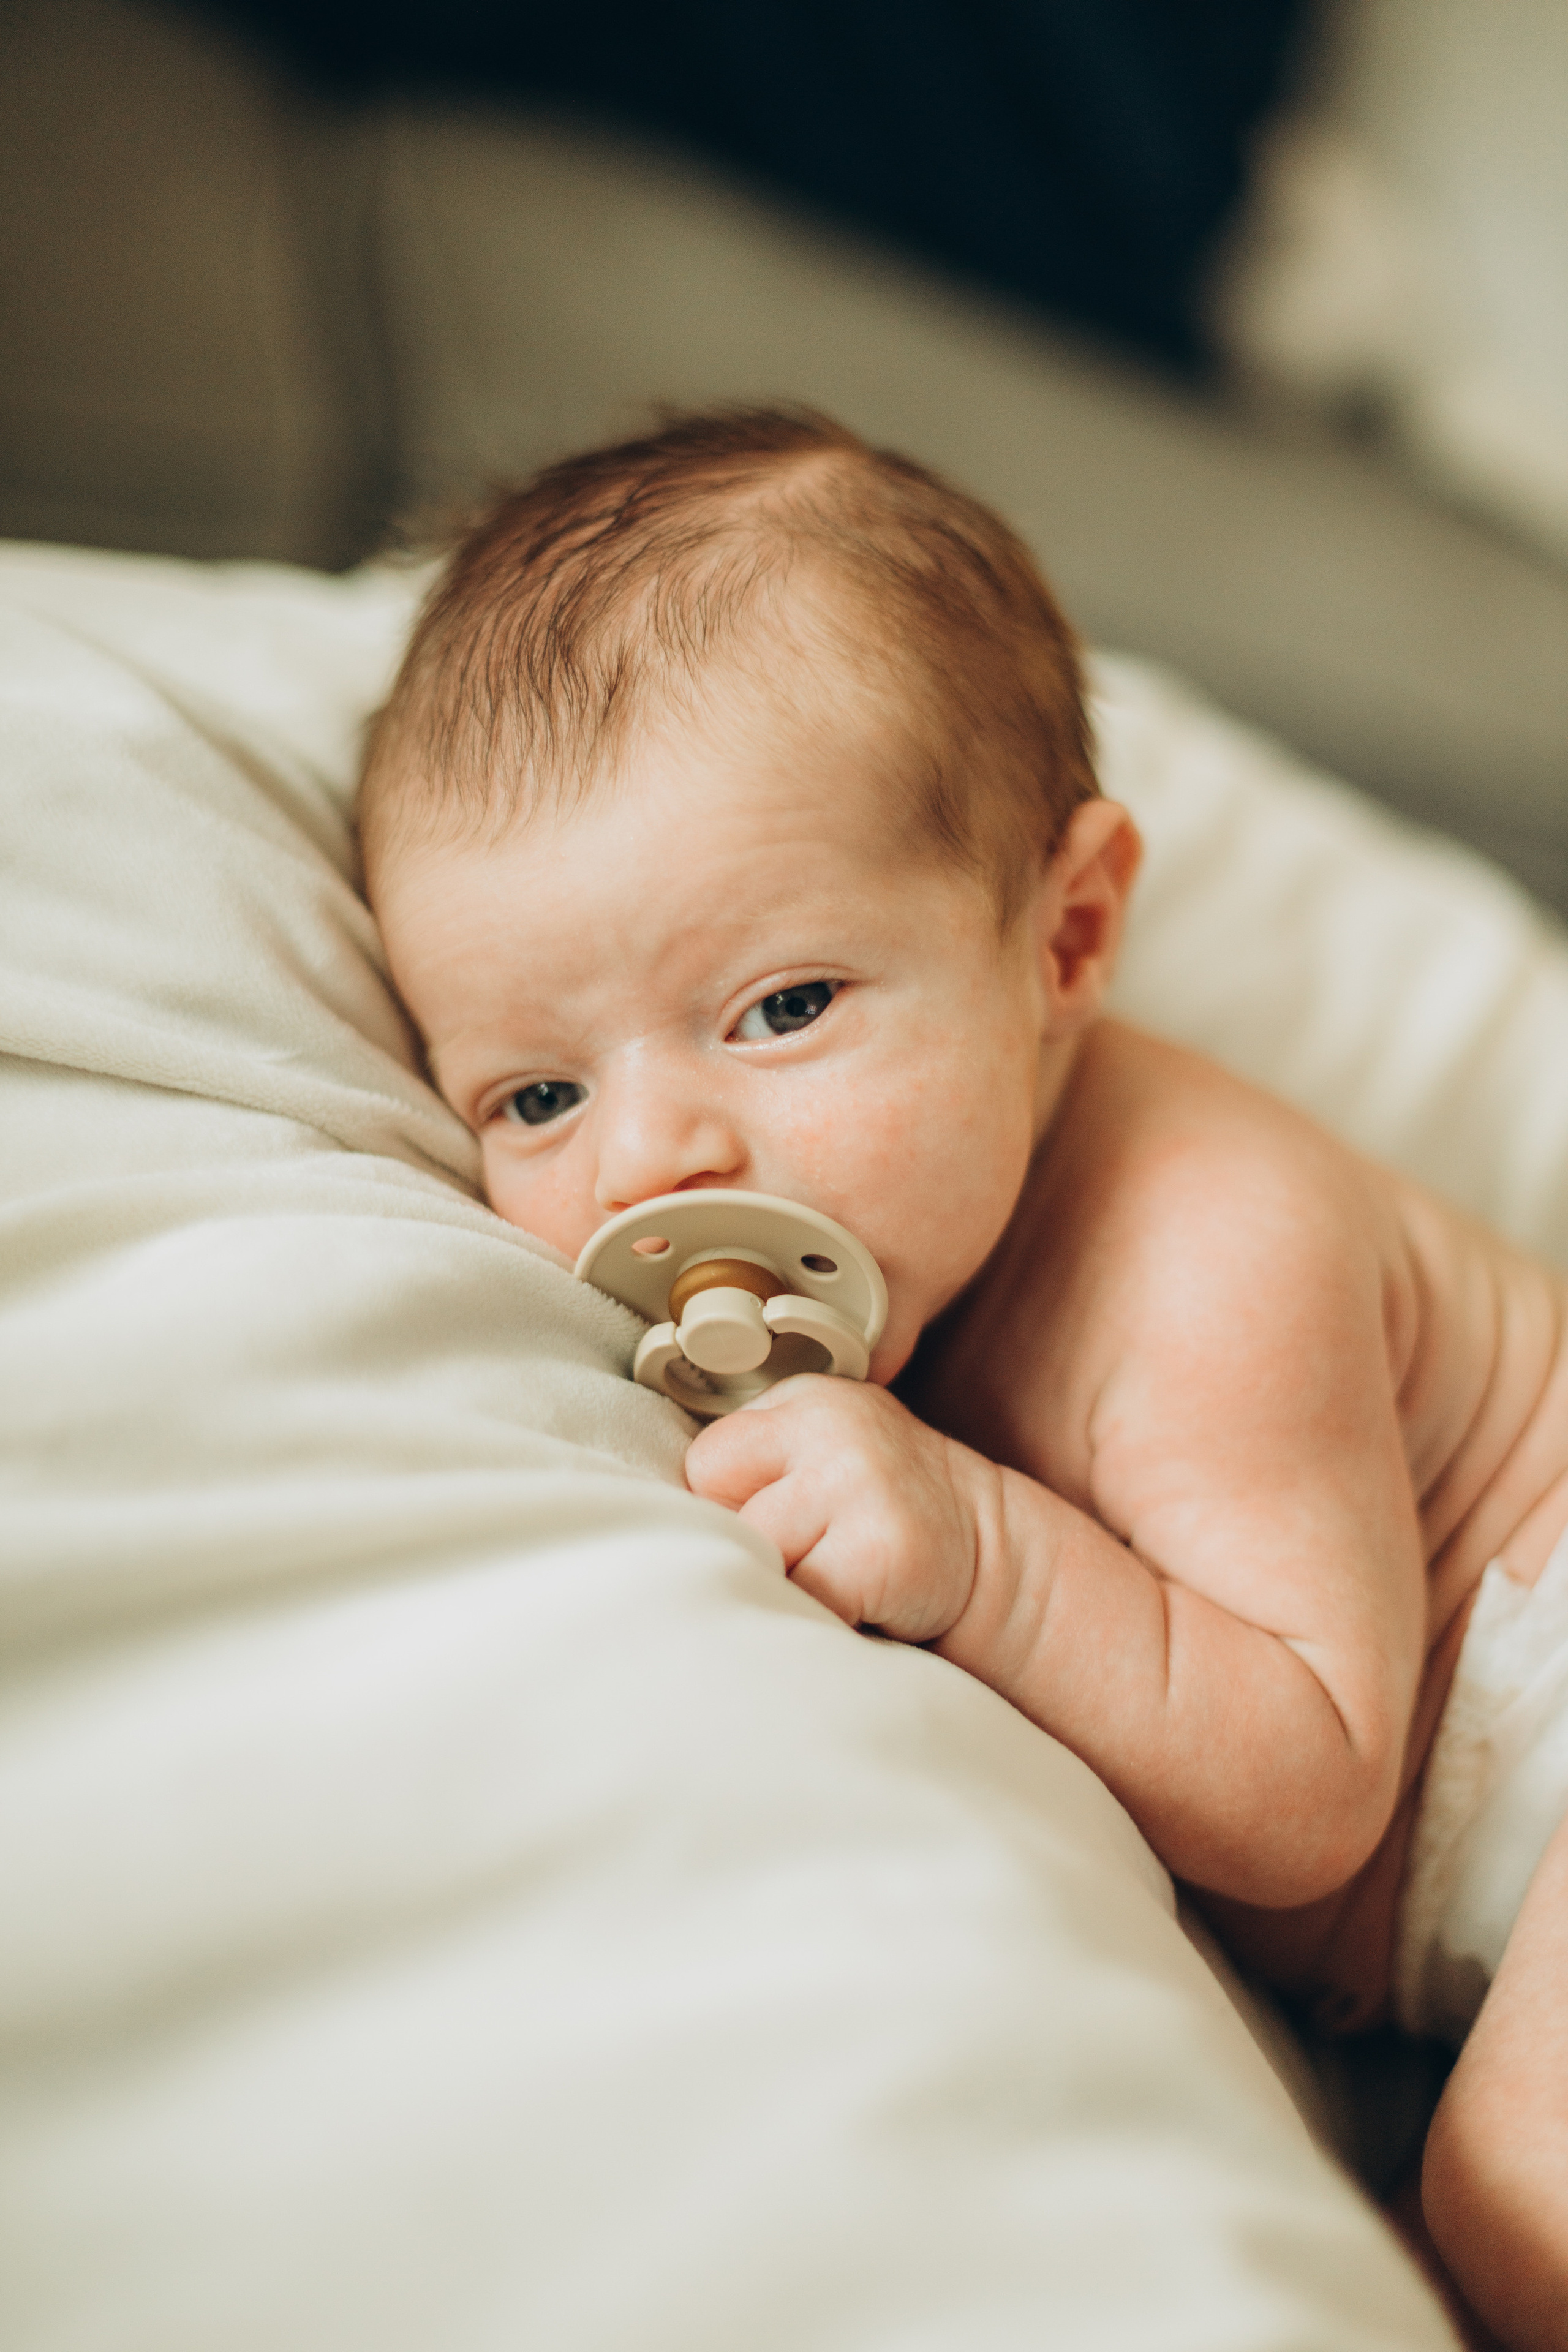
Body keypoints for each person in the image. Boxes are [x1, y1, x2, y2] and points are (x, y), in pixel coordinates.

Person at [359, 405, 1568, 2350]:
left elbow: (1311, 1784)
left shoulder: (1208, 1255)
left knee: (1518, 2200)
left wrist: (981, 1553)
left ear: (1065, 934)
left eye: (782, 1007)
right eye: (539, 1094)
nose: (651, 1159)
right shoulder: (895, 1249)